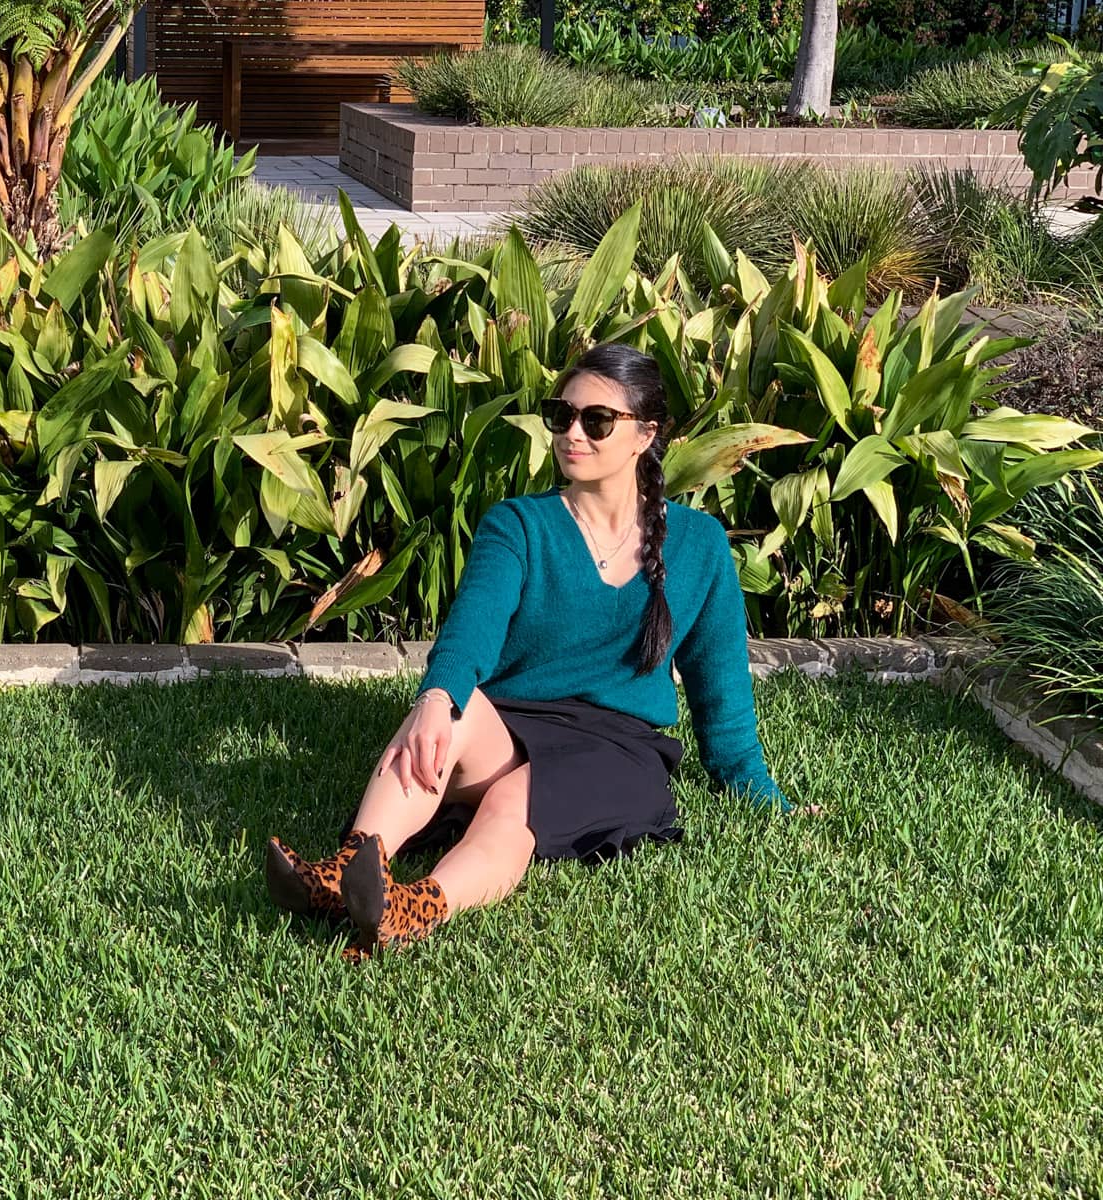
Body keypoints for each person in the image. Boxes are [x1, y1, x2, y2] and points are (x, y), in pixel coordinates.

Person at [265, 342, 817, 963]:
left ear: (645, 435)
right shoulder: (519, 524)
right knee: (452, 712)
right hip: (514, 721)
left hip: (620, 745)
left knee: (513, 801)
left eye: (597, 420)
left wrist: (763, 795)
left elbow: (722, 699)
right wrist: (437, 697)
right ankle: (345, 873)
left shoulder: (700, 545)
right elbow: (471, 630)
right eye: (562, 416)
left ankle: (413, 909)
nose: (572, 433)